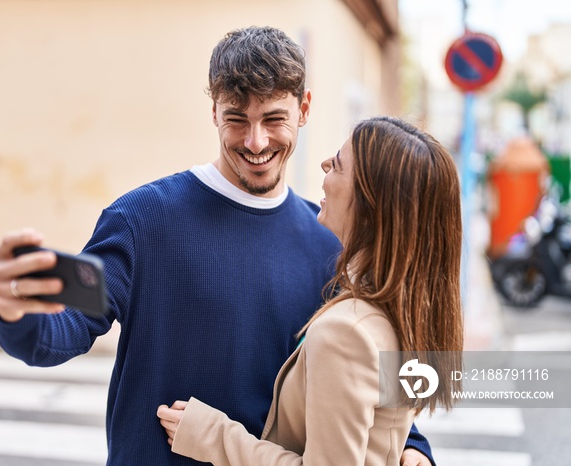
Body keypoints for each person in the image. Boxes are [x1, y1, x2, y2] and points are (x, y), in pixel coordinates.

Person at [0, 27, 436, 466]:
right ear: (214, 113)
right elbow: (63, 327)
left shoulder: (328, 239)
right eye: (237, 119)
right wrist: (16, 310)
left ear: (304, 109)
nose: (255, 141)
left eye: (274, 119)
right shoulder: (140, 219)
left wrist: (412, 441)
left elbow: (362, 365)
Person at [157, 115, 464, 465]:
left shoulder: (346, 332)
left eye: (339, 164)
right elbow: (382, 426)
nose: (325, 165)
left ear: (369, 203)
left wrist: (213, 435)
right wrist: (412, 449)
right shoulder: (410, 310)